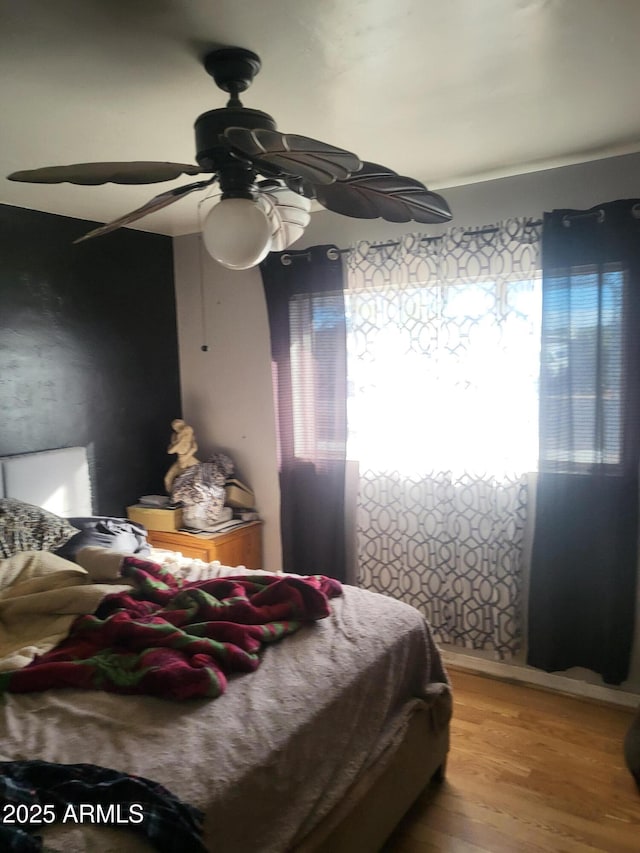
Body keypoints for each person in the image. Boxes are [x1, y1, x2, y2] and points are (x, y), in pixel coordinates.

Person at [164, 419, 199, 493]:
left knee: (194, 479)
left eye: (179, 426)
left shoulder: (189, 434)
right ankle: (171, 497)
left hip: (189, 459)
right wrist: (180, 441)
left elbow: (194, 448)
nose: (177, 428)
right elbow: (170, 451)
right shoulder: (175, 437)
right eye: (175, 427)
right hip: (180, 459)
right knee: (167, 479)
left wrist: (187, 456)